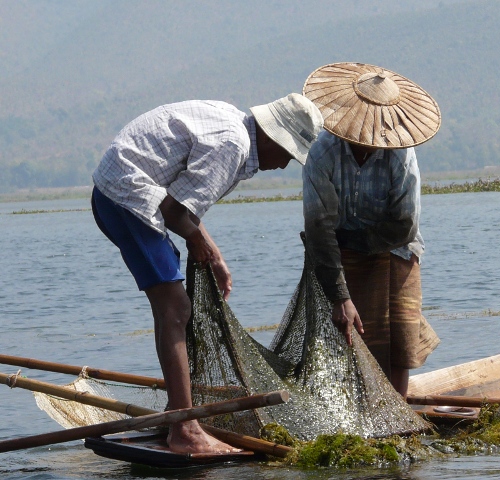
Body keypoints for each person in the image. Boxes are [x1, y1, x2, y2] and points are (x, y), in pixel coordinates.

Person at [91, 93, 323, 453]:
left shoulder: (232, 125)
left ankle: (177, 410)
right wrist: (201, 244)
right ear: (274, 137)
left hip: (122, 192)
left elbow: (184, 209)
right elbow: (173, 212)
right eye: (289, 154)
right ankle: (184, 428)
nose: (285, 165)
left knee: (171, 308)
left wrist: (212, 254)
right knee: (176, 309)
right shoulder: (232, 145)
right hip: (126, 196)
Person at [302, 63, 441, 398]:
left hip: (395, 245)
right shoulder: (322, 152)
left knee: (399, 334)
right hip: (337, 248)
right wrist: (340, 295)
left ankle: (398, 406)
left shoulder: (400, 154)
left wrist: (356, 241)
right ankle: (355, 404)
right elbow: (319, 228)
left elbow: (405, 224)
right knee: (346, 332)